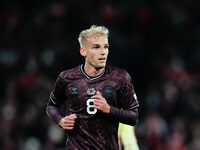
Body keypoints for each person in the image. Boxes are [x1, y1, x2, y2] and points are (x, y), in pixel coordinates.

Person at [46, 25, 139, 150]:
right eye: (96, 47)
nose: (103, 52)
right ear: (83, 51)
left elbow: (134, 117)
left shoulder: (120, 78)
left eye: (106, 47)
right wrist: (60, 120)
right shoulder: (66, 78)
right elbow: (51, 106)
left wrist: (108, 109)